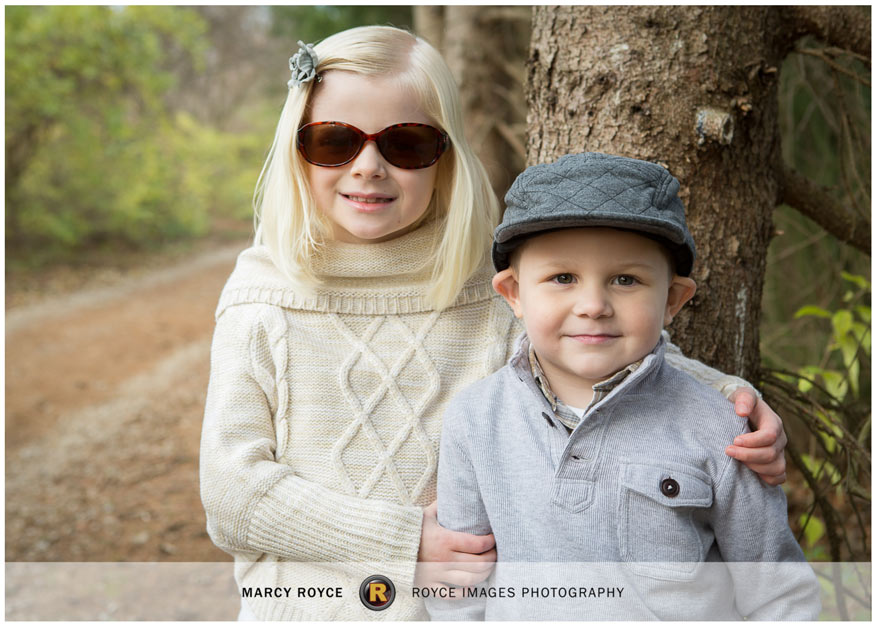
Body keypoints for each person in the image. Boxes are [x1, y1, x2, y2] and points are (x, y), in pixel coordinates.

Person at [199, 26, 790, 621]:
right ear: (297, 151)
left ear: (446, 153)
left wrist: (728, 397)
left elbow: (603, 350)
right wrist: (404, 543)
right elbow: (229, 492)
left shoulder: (488, 285)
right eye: (333, 142)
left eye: (405, 144)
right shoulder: (264, 297)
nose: (369, 167)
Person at [426, 152, 820, 621]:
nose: (593, 304)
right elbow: (458, 590)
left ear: (672, 299)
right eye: (563, 278)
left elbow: (780, 597)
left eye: (626, 279)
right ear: (513, 294)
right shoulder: (475, 419)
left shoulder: (721, 429)